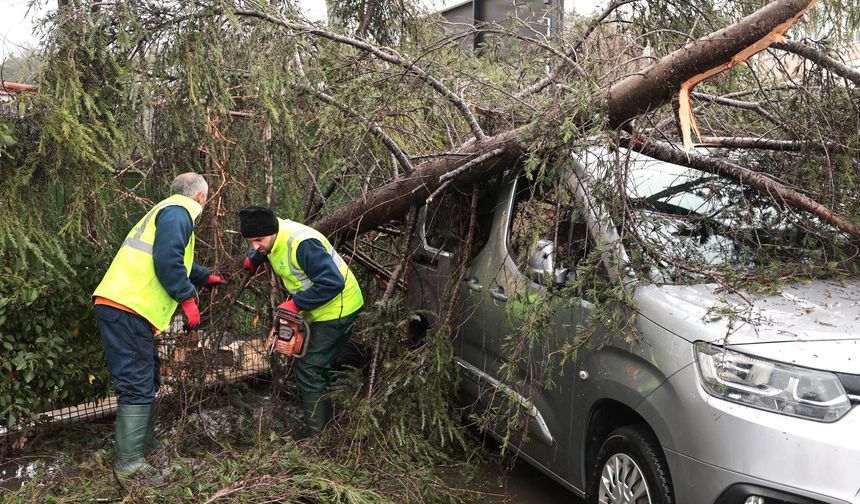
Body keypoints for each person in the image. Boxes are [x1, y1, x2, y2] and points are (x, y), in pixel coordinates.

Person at [92, 173, 226, 480]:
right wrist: (188, 299)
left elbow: (176, 260)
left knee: (147, 377)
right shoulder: (181, 212)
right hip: (127, 307)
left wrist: (204, 276)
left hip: (127, 307)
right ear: (201, 198)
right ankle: (129, 464)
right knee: (136, 382)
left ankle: (145, 446)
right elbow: (167, 260)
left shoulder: (167, 211)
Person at [238, 205, 363, 436]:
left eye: (258, 240)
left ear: (272, 230)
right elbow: (266, 248)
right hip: (317, 308)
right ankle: (351, 369)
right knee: (310, 358)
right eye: (249, 242)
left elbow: (333, 283)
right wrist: (254, 258)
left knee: (310, 366)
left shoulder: (302, 244)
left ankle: (319, 436)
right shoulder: (273, 239)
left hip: (339, 307)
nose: (255, 245)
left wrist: (296, 304)